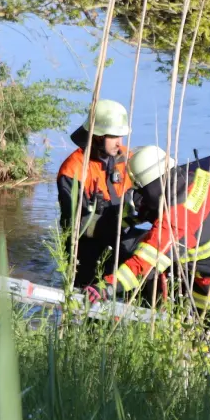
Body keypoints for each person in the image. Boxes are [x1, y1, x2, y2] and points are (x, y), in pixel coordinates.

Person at [85, 145, 210, 334]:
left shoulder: (177, 222)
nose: (140, 195)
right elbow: (174, 207)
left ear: (150, 187)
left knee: (208, 348)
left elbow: (144, 265)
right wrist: (130, 215)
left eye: (141, 190)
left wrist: (106, 287)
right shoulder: (200, 179)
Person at [57, 99, 137, 287]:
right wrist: (115, 223)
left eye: (121, 136)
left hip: (119, 239)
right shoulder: (73, 170)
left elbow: (142, 195)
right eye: (114, 137)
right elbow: (75, 223)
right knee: (86, 293)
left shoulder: (127, 158)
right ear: (98, 136)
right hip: (86, 249)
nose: (119, 143)